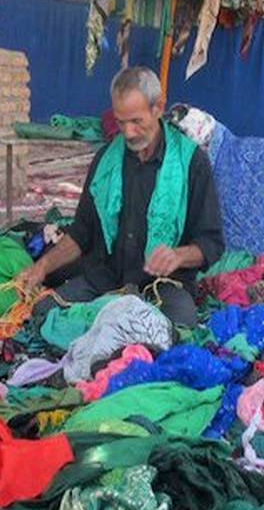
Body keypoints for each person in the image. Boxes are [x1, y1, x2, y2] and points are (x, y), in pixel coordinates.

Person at [18, 66, 224, 326]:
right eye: (120, 122)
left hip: (163, 287)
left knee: (177, 328)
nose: (128, 133)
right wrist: (41, 267)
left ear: (158, 108)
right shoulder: (106, 160)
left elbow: (211, 243)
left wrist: (178, 256)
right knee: (43, 313)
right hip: (107, 280)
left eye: (136, 121)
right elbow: (82, 232)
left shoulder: (191, 162)